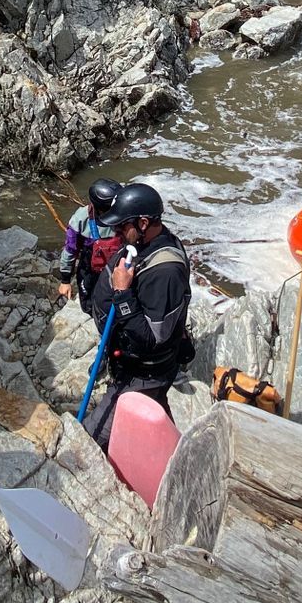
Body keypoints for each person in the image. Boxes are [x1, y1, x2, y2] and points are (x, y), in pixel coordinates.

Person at [80, 181, 194, 449]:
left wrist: (122, 294)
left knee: (92, 439)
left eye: (122, 225)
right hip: (129, 363)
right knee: (155, 416)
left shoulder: (165, 271)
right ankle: (171, 445)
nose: (116, 231)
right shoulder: (144, 244)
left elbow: (152, 338)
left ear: (143, 223)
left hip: (143, 375)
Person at [58, 178, 121, 308]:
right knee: (89, 303)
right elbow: (70, 249)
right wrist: (65, 280)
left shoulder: (122, 217)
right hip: (92, 269)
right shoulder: (81, 219)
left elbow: (70, 250)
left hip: (112, 269)